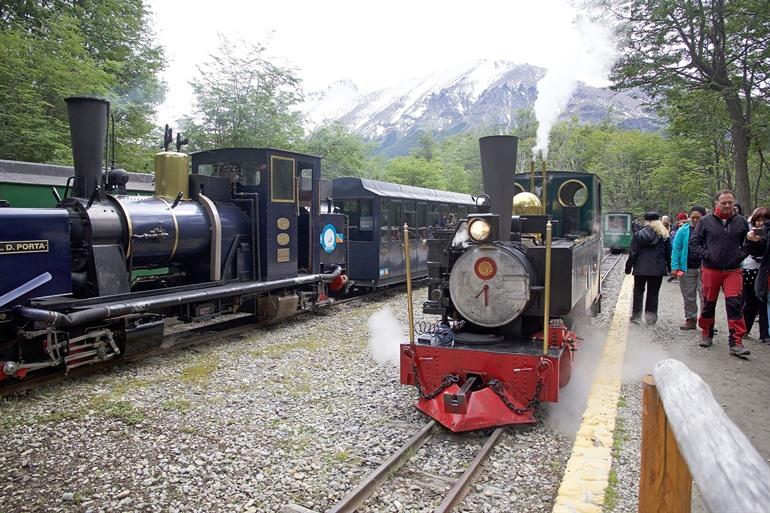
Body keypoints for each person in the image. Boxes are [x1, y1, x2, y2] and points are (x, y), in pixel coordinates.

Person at [689, 189, 751, 356]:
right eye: (724, 203)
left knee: (734, 304)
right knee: (709, 303)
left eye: (730, 202)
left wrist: (741, 255)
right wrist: (706, 255)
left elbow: (748, 244)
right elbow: (694, 243)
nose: (727, 205)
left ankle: (736, 342)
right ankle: (706, 333)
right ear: (716, 203)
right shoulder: (705, 221)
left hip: (733, 270)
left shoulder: (741, 222)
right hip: (711, 269)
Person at [625, 211, 671, 325]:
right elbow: (668, 253)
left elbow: (633, 253)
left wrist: (628, 267)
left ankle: (636, 316)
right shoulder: (664, 235)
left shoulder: (638, 234)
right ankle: (651, 318)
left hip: (641, 268)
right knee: (653, 293)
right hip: (658, 269)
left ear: (646, 221)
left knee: (638, 291)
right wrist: (670, 268)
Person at [670, 206, 707, 330]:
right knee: (688, 295)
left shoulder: (708, 230)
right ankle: (690, 320)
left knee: (705, 296)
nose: (695, 220)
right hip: (685, 268)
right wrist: (674, 267)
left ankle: (707, 321)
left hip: (704, 268)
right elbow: (676, 248)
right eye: (693, 217)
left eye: (698, 217)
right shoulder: (683, 230)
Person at [744, 207, 770, 343]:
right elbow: (750, 251)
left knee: (763, 303)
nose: (761, 223)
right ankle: (744, 329)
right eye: (758, 220)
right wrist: (753, 241)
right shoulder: (749, 233)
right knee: (750, 303)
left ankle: (765, 334)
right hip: (750, 270)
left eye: (764, 220)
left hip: (764, 272)